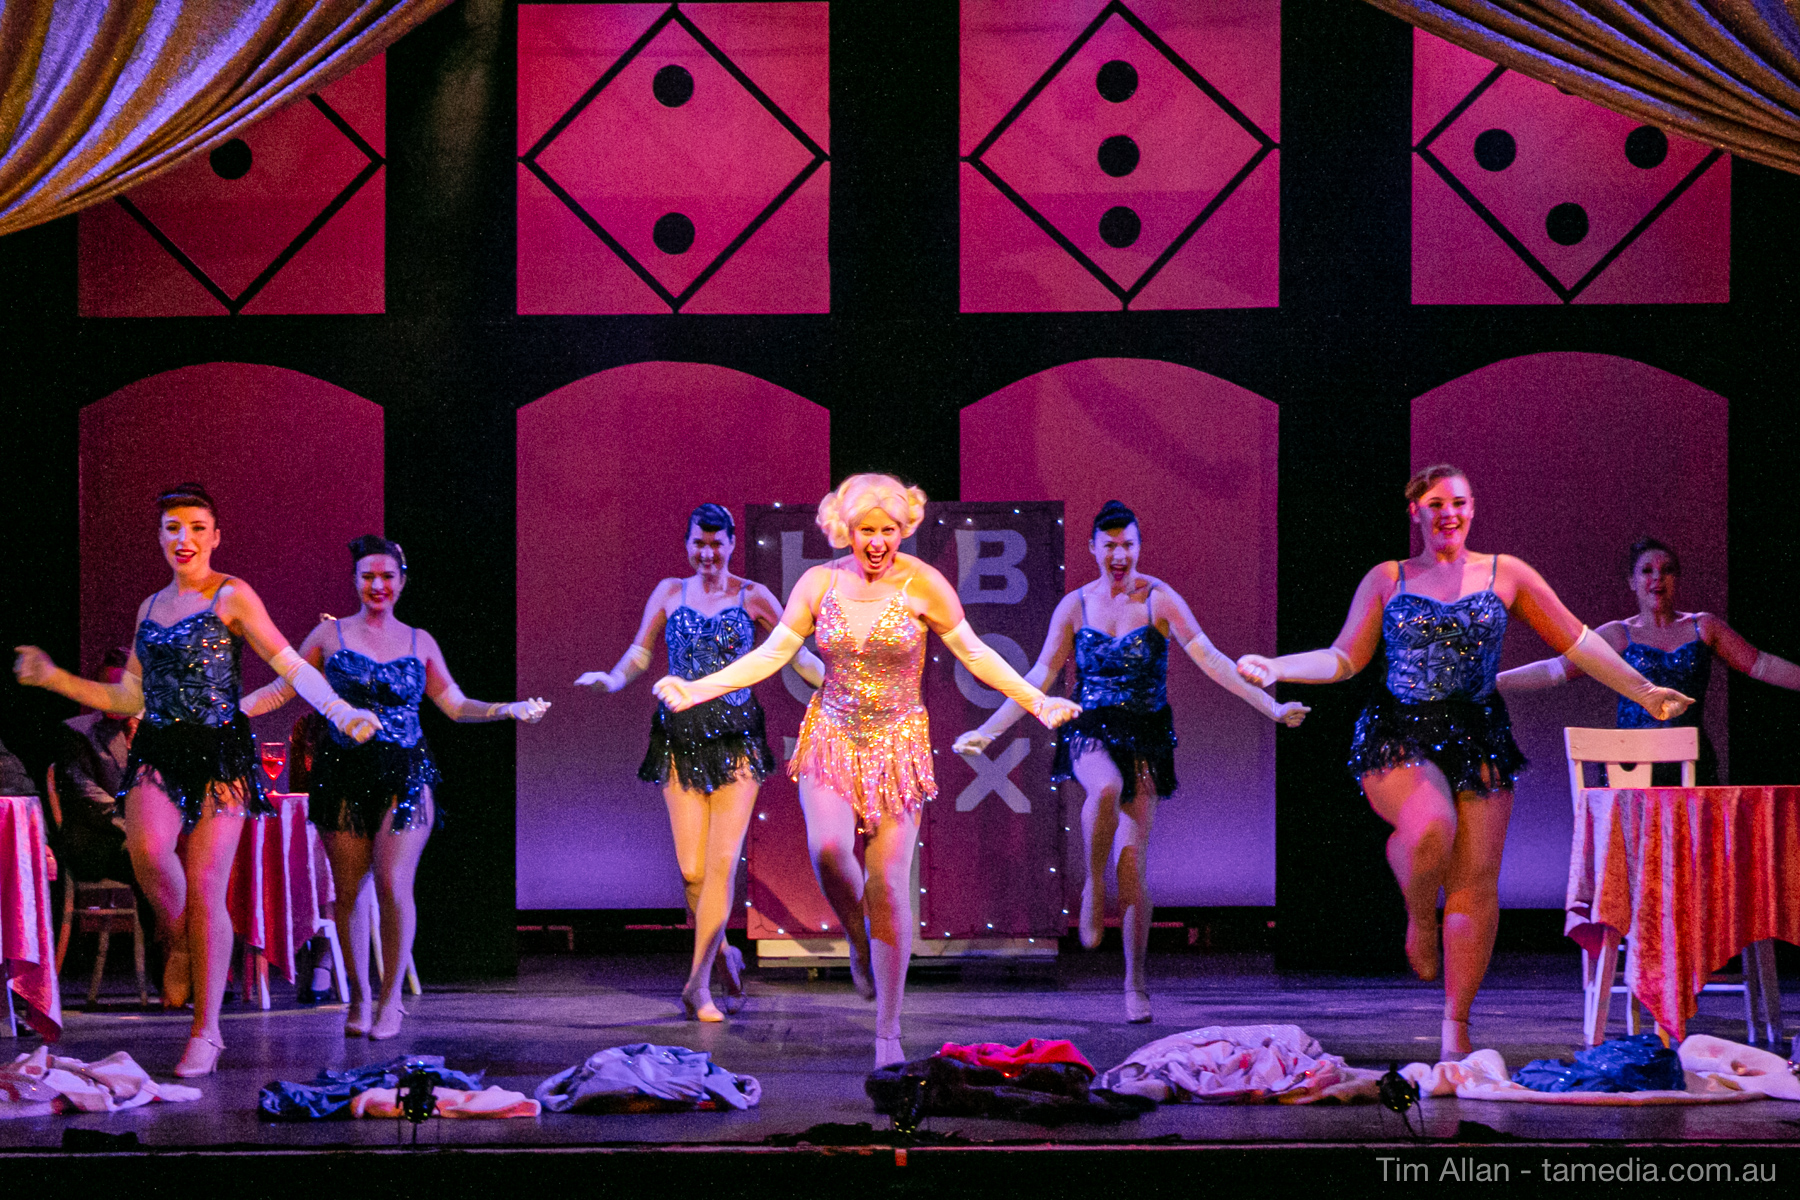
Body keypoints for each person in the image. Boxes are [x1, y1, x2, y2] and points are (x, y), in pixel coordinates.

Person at [1234, 466, 1692, 1060]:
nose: (1447, 513)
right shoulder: (1389, 578)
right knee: (1432, 825)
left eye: (1457, 503)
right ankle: (1419, 914)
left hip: (1478, 733)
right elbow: (1344, 657)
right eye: (1435, 503)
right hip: (1400, 731)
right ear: (1415, 512)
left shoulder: (1508, 573)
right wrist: (1278, 667)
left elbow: (1578, 643)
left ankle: (1456, 1025)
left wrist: (1645, 692)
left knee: (1475, 883)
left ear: (1472, 508)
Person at [652, 474, 1081, 1066]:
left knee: (889, 886)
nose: (877, 542)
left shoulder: (923, 583)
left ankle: (887, 1034)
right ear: (845, 530)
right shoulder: (819, 583)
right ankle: (858, 938)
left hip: (897, 745)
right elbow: (773, 654)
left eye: (888, 530)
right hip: (830, 736)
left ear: (903, 529)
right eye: (865, 531)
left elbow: (977, 654)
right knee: (829, 850)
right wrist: (698, 689)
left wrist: (1038, 702)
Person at [13, 484, 384, 1076]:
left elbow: (290, 666)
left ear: (214, 537)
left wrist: (341, 712)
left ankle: (206, 1031)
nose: (183, 539)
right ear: (160, 537)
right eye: (172, 528)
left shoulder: (232, 595)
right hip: (159, 747)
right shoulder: (150, 608)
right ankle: (182, 940)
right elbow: (128, 696)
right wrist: (54, 678)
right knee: (147, 850)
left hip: (219, 753)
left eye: (195, 528)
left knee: (208, 884)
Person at [953, 500, 1309, 1023]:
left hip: (1145, 736)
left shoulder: (1160, 600)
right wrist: (988, 731)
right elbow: (1039, 678)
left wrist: (1272, 707)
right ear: (1093, 548)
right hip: (1090, 727)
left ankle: (1135, 983)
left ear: (1138, 547)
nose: (1119, 555)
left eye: (1128, 545)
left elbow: (1212, 661)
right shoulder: (1075, 606)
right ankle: (1092, 886)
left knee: (1133, 864)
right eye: (1110, 546)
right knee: (1103, 788)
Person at [242, 535, 550, 1040]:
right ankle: (359, 999)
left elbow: (455, 705)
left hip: (406, 772)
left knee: (391, 880)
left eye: (387, 576)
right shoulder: (328, 635)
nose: (377, 585)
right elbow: (283, 688)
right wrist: (230, 711)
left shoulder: (418, 641)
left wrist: (506, 709)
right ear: (355, 581)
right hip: (342, 772)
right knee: (348, 891)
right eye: (368, 576)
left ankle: (391, 1002)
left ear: (402, 582)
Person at [575, 503, 824, 1022]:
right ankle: (725, 953)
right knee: (692, 870)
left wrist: (838, 683)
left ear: (731, 543)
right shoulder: (670, 592)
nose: (707, 553)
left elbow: (793, 653)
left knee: (720, 864)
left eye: (716, 544)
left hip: (736, 740)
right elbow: (640, 653)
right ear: (688, 544)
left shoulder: (754, 596)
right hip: (679, 740)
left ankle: (697, 985)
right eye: (698, 544)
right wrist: (613, 678)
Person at [1498, 537, 1800, 784]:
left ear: (1676, 579)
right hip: (1631, 767)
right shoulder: (1618, 635)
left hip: (1691, 763)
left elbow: (1761, 664)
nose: (1657, 577)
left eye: (1667, 570)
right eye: (1647, 571)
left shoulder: (1704, 627)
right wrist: (1495, 680)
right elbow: (1556, 670)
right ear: (1632, 581)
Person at [48, 647, 140, 888]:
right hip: (96, 842)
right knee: (150, 859)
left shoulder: (149, 732)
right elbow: (87, 794)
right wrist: (136, 827)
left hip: (138, 836)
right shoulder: (77, 731)